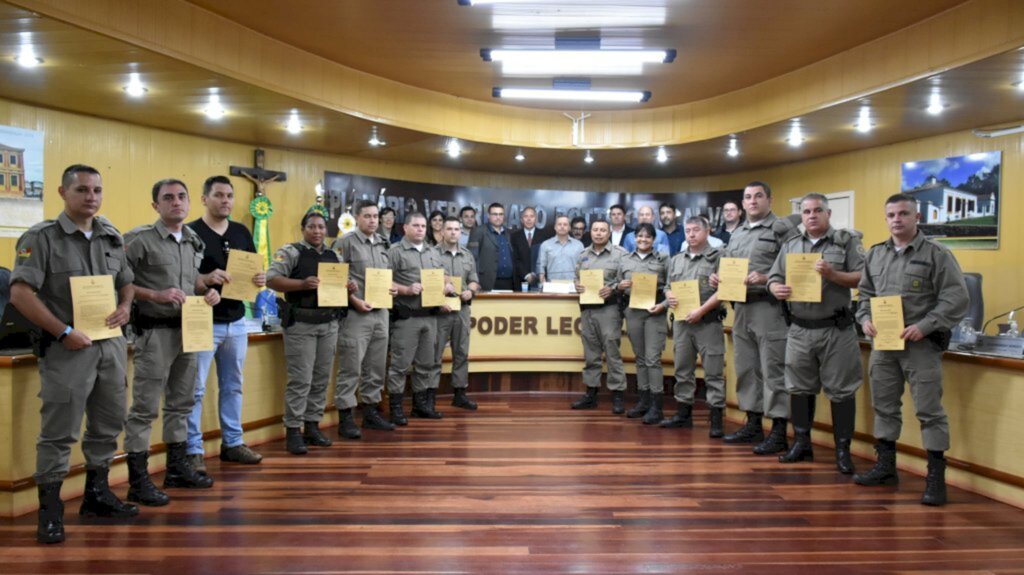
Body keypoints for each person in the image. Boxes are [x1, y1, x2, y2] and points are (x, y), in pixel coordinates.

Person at [11, 164, 139, 544]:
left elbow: (128, 282)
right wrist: (62, 331)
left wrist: (127, 307)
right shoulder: (42, 237)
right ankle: (50, 512)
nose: (92, 197)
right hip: (68, 349)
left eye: (97, 190)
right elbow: (20, 293)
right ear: (63, 193)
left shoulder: (110, 236)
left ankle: (96, 495)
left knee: (108, 423)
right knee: (59, 432)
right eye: (82, 190)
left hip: (110, 346)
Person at [854, 193, 969, 506]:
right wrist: (864, 320)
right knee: (884, 406)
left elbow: (956, 299)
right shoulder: (875, 255)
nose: (896, 220)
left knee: (929, 411)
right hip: (884, 345)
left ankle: (935, 478)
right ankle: (886, 467)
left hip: (920, 345)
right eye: (891, 214)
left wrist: (927, 325)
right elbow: (865, 295)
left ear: (917, 217)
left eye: (903, 214)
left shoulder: (936, 254)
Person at [123, 178, 219, 507]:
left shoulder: (193, 241)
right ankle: (138, 479)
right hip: (154, 332)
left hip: (189, 330)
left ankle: (176, 468)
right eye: (168, 198)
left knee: (182, 403)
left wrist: (207, 291)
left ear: (190, 202)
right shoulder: (139, 240)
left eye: (181, 197)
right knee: (144, 408)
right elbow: (117, 283)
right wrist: (154, 294)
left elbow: (189, 283)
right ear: (156, 206)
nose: (176, 202)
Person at [767, 193, 864, 473]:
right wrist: (776, 288)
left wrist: (834, 275)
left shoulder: (846, 242)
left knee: (842, 391)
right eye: (807, 211)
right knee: (798, 387)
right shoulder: (791, 245)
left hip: (835, 329)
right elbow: (774, 277)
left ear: (828, 213)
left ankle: (843, 451)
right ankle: (801, 443)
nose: (811, 215)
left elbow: (863, 276)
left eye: (817, 210)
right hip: (799, 329)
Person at [711, 181, 800, 455]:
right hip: (742, 308)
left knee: (773, 371)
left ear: (769, 200)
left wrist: (768, 278)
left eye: (758, 196)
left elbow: (798, 269)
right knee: (747, 369)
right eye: (748, 197)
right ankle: (752, 422)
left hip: (769, 308)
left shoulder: (782, 230)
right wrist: (717, 278)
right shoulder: (736, 234)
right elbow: (725, 266)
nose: (752, 201)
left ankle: (778, 432)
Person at [186, 176, 265, 473]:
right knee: (195, 390)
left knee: (233, 386)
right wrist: (204, 281)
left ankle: (232, 443)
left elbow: (253, 270)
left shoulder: (242, 231)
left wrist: (259, 279)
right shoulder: (191, 231)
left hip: (236, 320)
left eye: (230, 196)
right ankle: (193, 450)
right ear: (205, 198)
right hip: (202, 320)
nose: (226, 201)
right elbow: (182, 277)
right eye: (219, 195)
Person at [267, 210, 353, 451]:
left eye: (321, 227)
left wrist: (349, 287)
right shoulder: (292, 251)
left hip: (328, 324)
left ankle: (313, 425)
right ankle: (293, 430)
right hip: (301, 324)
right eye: (312, 227)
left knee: (320, 379)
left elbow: (339, 287)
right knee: (301, 380)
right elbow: (271, 279)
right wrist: (301, 284)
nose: (317, 231)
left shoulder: (333, 255)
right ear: (303, 229)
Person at [331, 200, 398, 432]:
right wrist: (354, 301)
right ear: (357, 218)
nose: (372, 220)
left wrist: (392, 288)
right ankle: (346, 418)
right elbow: (335, 278)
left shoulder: (383, 242)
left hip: (381, 312)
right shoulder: (345, 242)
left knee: (376, 366)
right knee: (351, 367)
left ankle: (370, 412)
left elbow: (385, 275)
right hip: (356, 313)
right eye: (367, 216)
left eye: (375, 216)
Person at [662, 216, 727, 435]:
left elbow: (725, 290)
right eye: (688, 230)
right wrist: (669, 295)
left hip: (708, 322)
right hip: (682, 323)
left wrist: (702, 311)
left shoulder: (719, 257)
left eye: (696, 230)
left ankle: (716, 418)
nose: (691, 234)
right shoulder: (677, 259)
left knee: (713, 372)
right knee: (682, 370)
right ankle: (683, 414)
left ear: (707, 231)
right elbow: (668, 285)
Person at [388, 212, 452, 420]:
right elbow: (382, 281)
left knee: (426, 363)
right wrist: (406, 289)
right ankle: (396, 408)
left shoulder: (433, 252)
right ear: (405, 228)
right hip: (407, 316)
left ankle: (420, 405)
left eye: (423, 226)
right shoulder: (395, 251)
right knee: (400, 364)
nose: (420, 230)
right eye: (415, 225)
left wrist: (447, 285)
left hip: (430, 317)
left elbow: (443, 276)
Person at [571, 218, 628, 413]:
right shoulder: (583, 255)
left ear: (609, 233)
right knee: (591, 353)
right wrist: (577, 285)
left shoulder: (620, 254)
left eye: (603, 230)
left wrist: (612, 289)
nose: (598, 233)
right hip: (587, 309)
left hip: (609, 309)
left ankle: (618, 395)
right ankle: (591, 394)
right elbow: (577, 276)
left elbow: (626, 281)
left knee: (612, 351)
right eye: (595, 229)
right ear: (591, 232)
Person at [617, 223, 670, 424]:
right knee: (640, 358)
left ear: (654, 239)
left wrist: (663, 306)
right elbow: (615, 284)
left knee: (652, 359)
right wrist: (619, 286)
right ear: (634, 238)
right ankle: (643, 402)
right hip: (633, 311)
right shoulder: (625, 260)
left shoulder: (663, 259)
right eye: (640, 236)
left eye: (648, 237)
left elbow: (670, 285)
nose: (643, 240)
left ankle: (657, 407)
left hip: (655, 311)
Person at [432, 216, 481, 410]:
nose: (453, 232)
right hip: (440, 310)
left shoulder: (467, 255)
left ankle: (460, 394)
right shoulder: (432, 254)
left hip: (462, 309)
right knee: (434, 354)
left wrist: (471, 289)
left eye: (457, 229)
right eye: (449, 229)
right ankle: (429, 396)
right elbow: (428, 282)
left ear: (461, 233)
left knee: (461, 352)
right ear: (442, 232)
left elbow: (474, 279)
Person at [468, 202, 516, 291]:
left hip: (509, 282)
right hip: (486, 282)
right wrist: (474, 281)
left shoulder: (509, 233)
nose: (498, 217)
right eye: (495, 214)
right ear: (488, 216)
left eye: (501, 214)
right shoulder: (478, 231)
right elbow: (471, 258)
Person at [511, 206, 550, 291]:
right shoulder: (514, 236)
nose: (529, 219)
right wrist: (526, 275)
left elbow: (546, 258)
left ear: (536, 219)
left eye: (531, 216)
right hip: (520, 280)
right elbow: (515, 258)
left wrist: (536, 274)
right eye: (526, 216)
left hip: (539, 280)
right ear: (521, 220)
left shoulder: (544, 236)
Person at [537, 215, 584, 284]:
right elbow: (540, 264)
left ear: (569, 228)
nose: (562, 226)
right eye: (559, 224)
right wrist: (541, 278)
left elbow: (583, 266)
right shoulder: (546, 245)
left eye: (565, 224)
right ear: (555, 227)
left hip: (573, 285)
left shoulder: (579, 245)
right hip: (552, 286)